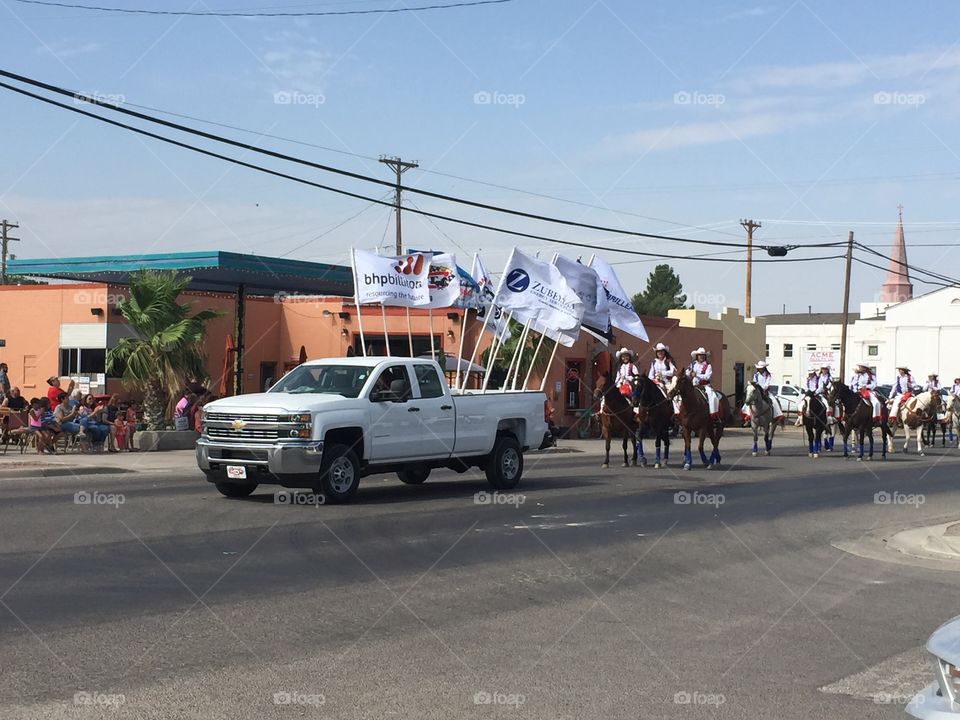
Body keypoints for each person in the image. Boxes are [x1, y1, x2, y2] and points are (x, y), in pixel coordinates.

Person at [688, 347, 720, 418]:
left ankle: (714, 415)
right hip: (694, 386)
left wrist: (696, 375)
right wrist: (689, 373)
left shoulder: (708, 366)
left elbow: (707, 377)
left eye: (703, 355)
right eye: (700, 355)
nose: (701, 357)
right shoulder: (692, 365)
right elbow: (687, 373)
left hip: (705, 386)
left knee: (713, 397)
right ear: (697, 356)